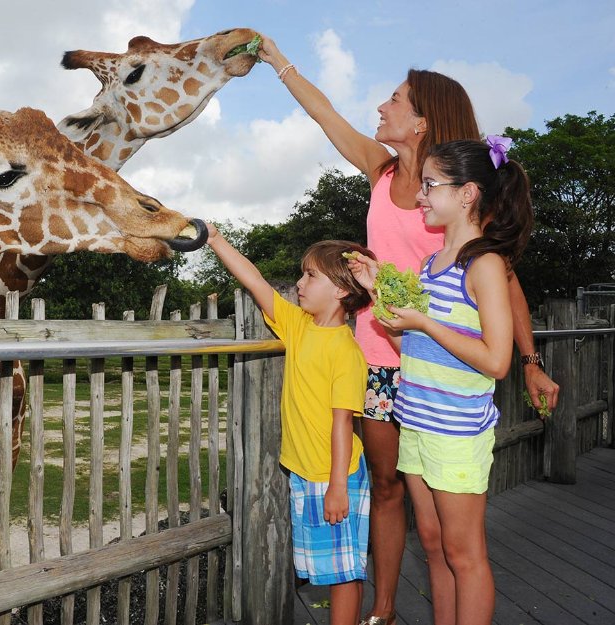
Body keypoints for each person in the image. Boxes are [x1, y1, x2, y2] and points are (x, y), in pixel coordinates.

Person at [256, 35, 559, 625]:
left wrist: (528, 359)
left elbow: (505, 285)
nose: (381, 106)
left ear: (422, 120)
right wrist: (277, 61)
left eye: (394, 99)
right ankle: (385, 607)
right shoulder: (382, 169)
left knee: (444, 522)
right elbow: (326, 115)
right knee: (388, 488)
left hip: (435, 366)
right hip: (377, 354)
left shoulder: (460, 197)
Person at [348, 137, 534, 624]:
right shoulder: (432, 266)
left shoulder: (485, 264)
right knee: (433, 545)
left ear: (468, 193)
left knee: (464, 554)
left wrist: (427, 323)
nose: (421, 196)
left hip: (455, 433)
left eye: (431, 185)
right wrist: (380, 295)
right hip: (417, 424)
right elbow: (413, 354)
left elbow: (497, 361)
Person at [206, 228, 374, 625]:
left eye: (311, 276)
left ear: (341, 290)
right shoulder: (299, 326)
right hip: (307, 472)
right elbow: (255, 281)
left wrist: (336, 486)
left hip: (336, 475)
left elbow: (342, 423)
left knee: (344, 572)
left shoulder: (346, 353)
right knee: (332, 563)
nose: (299, 283)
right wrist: (215, 240)